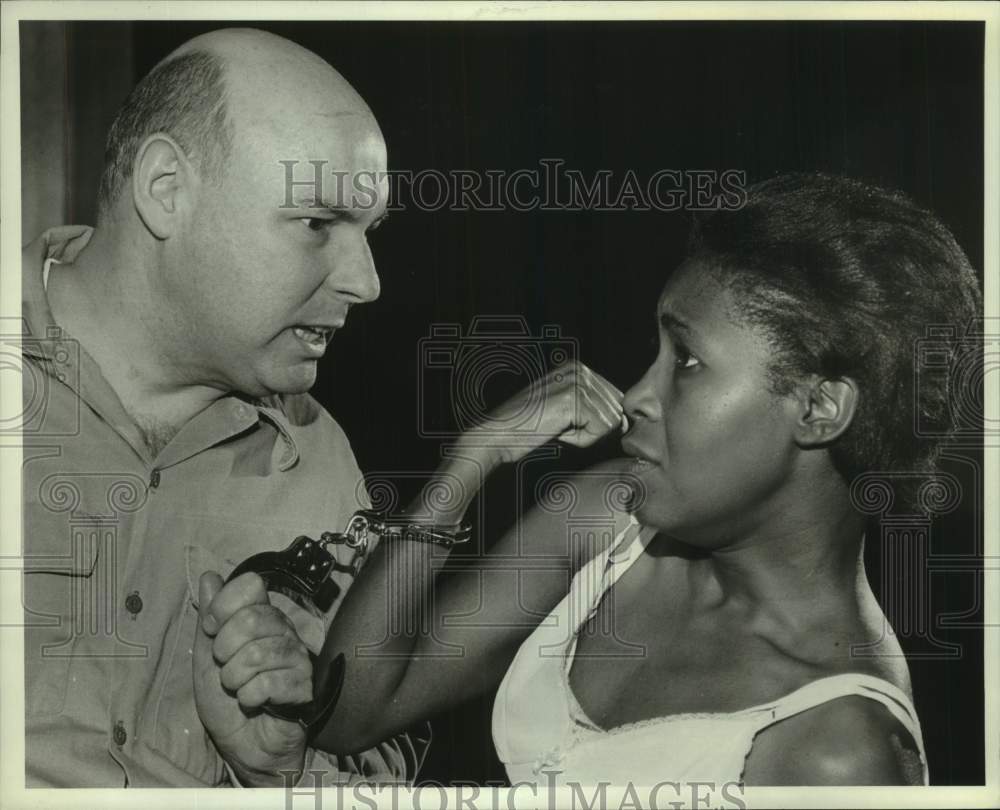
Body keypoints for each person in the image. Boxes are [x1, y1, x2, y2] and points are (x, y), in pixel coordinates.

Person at [292, 173, 981, 786]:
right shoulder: (610, 518)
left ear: (819, 408)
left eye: (685, 360)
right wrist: (474, 454)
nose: (636, 396)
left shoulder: (843, 753)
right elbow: (350, 712)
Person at [20, 28, 428, 787]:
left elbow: (381, 764)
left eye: (369, 233)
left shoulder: (318, 461)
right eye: (318, 224)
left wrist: (280, 767)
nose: (367, 282)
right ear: (167, 189)